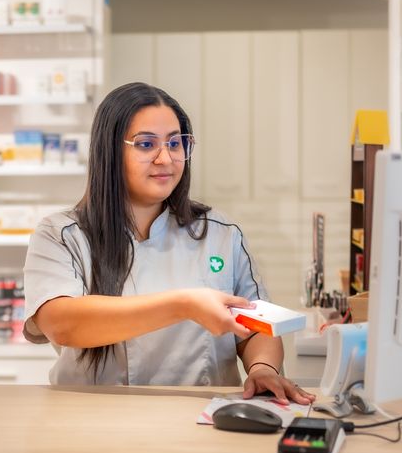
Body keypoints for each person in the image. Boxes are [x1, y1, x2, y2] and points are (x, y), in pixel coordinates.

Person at [23, 82, 314, 404]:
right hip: (92, 417)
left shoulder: (220, 233)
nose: (166, 158)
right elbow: (62, 324)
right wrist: (184, 305)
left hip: (198, 416)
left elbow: (258, 323)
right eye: (146, 144)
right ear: (109, 150)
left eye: (176, 143)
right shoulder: (62, 234)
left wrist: (262, 368)